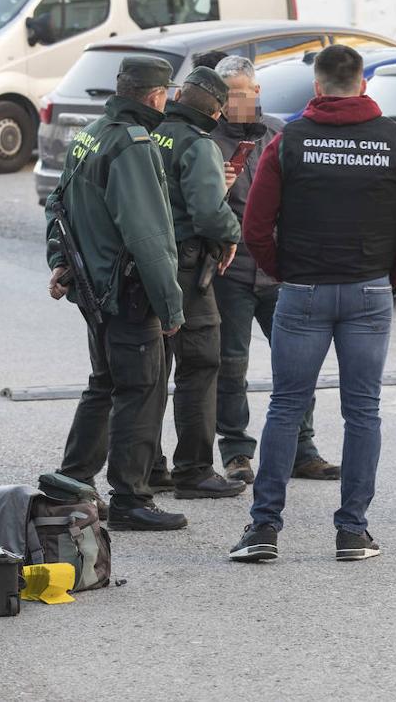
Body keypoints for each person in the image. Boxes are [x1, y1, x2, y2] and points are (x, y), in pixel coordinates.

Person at [228, 44, 396, 563]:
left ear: (317, 87)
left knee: (285, 406)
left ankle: (263, 529)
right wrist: (388, 276)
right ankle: (352, 532)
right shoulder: (394, 141)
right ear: (363, 84)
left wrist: (285, 271)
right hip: (368, 290)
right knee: (363, 411)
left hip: (303, 290)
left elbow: (255, 226)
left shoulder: (289, 141)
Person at [46, 55, 187, 532]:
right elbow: (149, 236)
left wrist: (60, 261)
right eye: (167, 94)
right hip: (128, 292)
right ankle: (130, 498)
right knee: (141, 391)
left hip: (95, 289)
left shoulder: (92, 133)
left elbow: (57, 204)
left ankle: (71, 485)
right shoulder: (133, 145)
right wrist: (170, 306)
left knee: (104, 383)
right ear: (156, 96)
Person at [210, 55, 340, 485]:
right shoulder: (208, 140)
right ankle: (236, 452)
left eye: (241, 93)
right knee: (231, 364)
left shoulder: (281, 134)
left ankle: (303, 450)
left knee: (297, 362)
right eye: (226, 96)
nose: (234, 103)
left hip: (281, 271)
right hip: (230, 271)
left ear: (257, 91)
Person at [148, 66, 249, 500]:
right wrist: (232, 234)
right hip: (188, 269)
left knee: (152, 369)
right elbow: (208, 213)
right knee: (201, 364)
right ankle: (194, 470)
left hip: (146, 265)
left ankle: (149, 467)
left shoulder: (149, 133)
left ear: (178, 96)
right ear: (218, 111)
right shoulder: (198, 143)